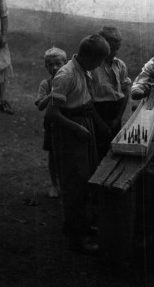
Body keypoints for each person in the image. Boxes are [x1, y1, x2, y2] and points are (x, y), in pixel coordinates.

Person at [49, 34, 111, 255]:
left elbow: (86, 102)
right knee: (74, 183)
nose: (99, 66)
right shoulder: (65, 76)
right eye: (97, 62)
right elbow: (52, 113)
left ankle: (84, 225)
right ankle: (75, 237)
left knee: (87, 179)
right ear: (87, 56)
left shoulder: (85, 69)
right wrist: (77, 128)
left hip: (84, 126)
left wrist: (101, 127)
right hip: (70, 131)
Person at [90, 26, 131, 162]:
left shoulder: (120, 65)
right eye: (111, 49)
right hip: (96, 114)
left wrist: (118, 118)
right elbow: (87, 98)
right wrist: (100, 122)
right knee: (96, 153)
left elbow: (125, 90)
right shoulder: (92, 67)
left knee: (113, 152)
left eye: (117, 49)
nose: (114, 52)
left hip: (115, 113)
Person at [34, 46, 68, 198]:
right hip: (52, 125)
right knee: (53, 155)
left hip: (68, 122)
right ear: (46, 66)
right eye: (50, 64)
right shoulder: (46, 84)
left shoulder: (69, 79)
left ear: (65, 64)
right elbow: (40, 105)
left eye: (58, 64)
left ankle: (66, 184)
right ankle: (54, 184)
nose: (54, 68)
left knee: (68, 154)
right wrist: (50, 96)